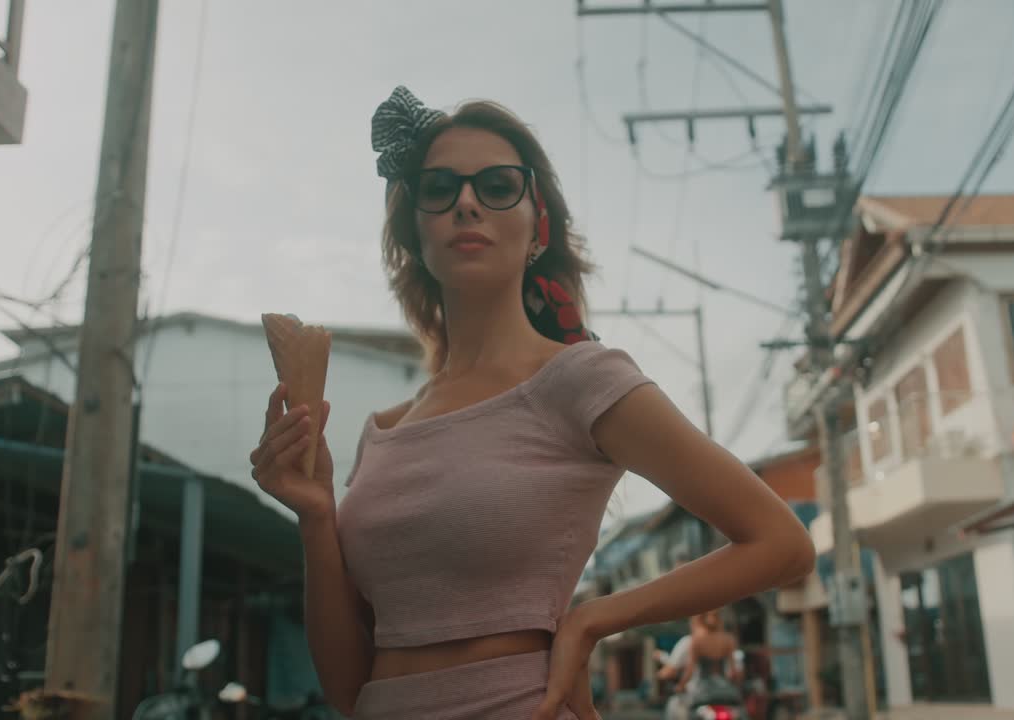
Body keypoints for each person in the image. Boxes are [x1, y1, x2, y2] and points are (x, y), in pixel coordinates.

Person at [247, 86, 816, 720]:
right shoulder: (383, 430)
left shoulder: (579, 379)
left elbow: (781, 542)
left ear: (538, 225)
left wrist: (594, 618)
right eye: (440, 188)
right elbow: (350, 689)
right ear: (414, 228)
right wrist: (317, 516)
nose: (467, 202)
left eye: (497, 186)